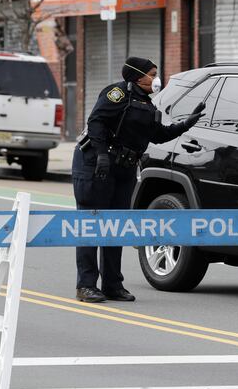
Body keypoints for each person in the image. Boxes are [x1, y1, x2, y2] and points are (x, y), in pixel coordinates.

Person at [73, 57, 204, 303]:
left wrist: (185, 125)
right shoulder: (116, 94)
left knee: (117, 225)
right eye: (152, 74)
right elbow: (96, 123)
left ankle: (112, 285)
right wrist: (101, 155)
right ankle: (86, 284)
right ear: (137, 76)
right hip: (95, 164)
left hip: (124, 167)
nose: (156, 78)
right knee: (92, 223)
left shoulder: (147, 103)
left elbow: (158, 135)